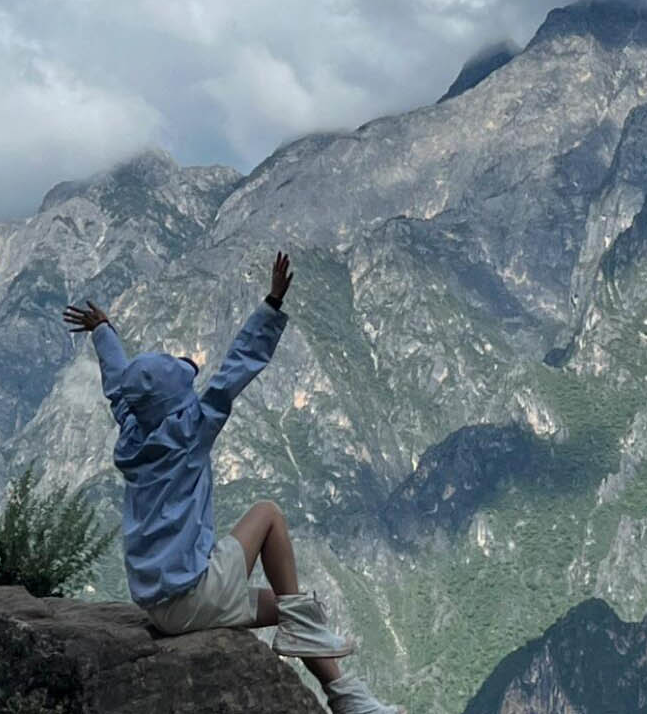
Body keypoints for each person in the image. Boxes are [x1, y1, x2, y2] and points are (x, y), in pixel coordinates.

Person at [63, 250, 402, 714]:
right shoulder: (190, 431)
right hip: (192, 594)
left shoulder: (133, 434)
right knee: (268, 515)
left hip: (158, 604)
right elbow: (233, 371)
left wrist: (103, 332)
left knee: (295, 608)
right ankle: (347, 697)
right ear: (178, 401)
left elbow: (118, 386)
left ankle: (347, 697)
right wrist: (271, 303)